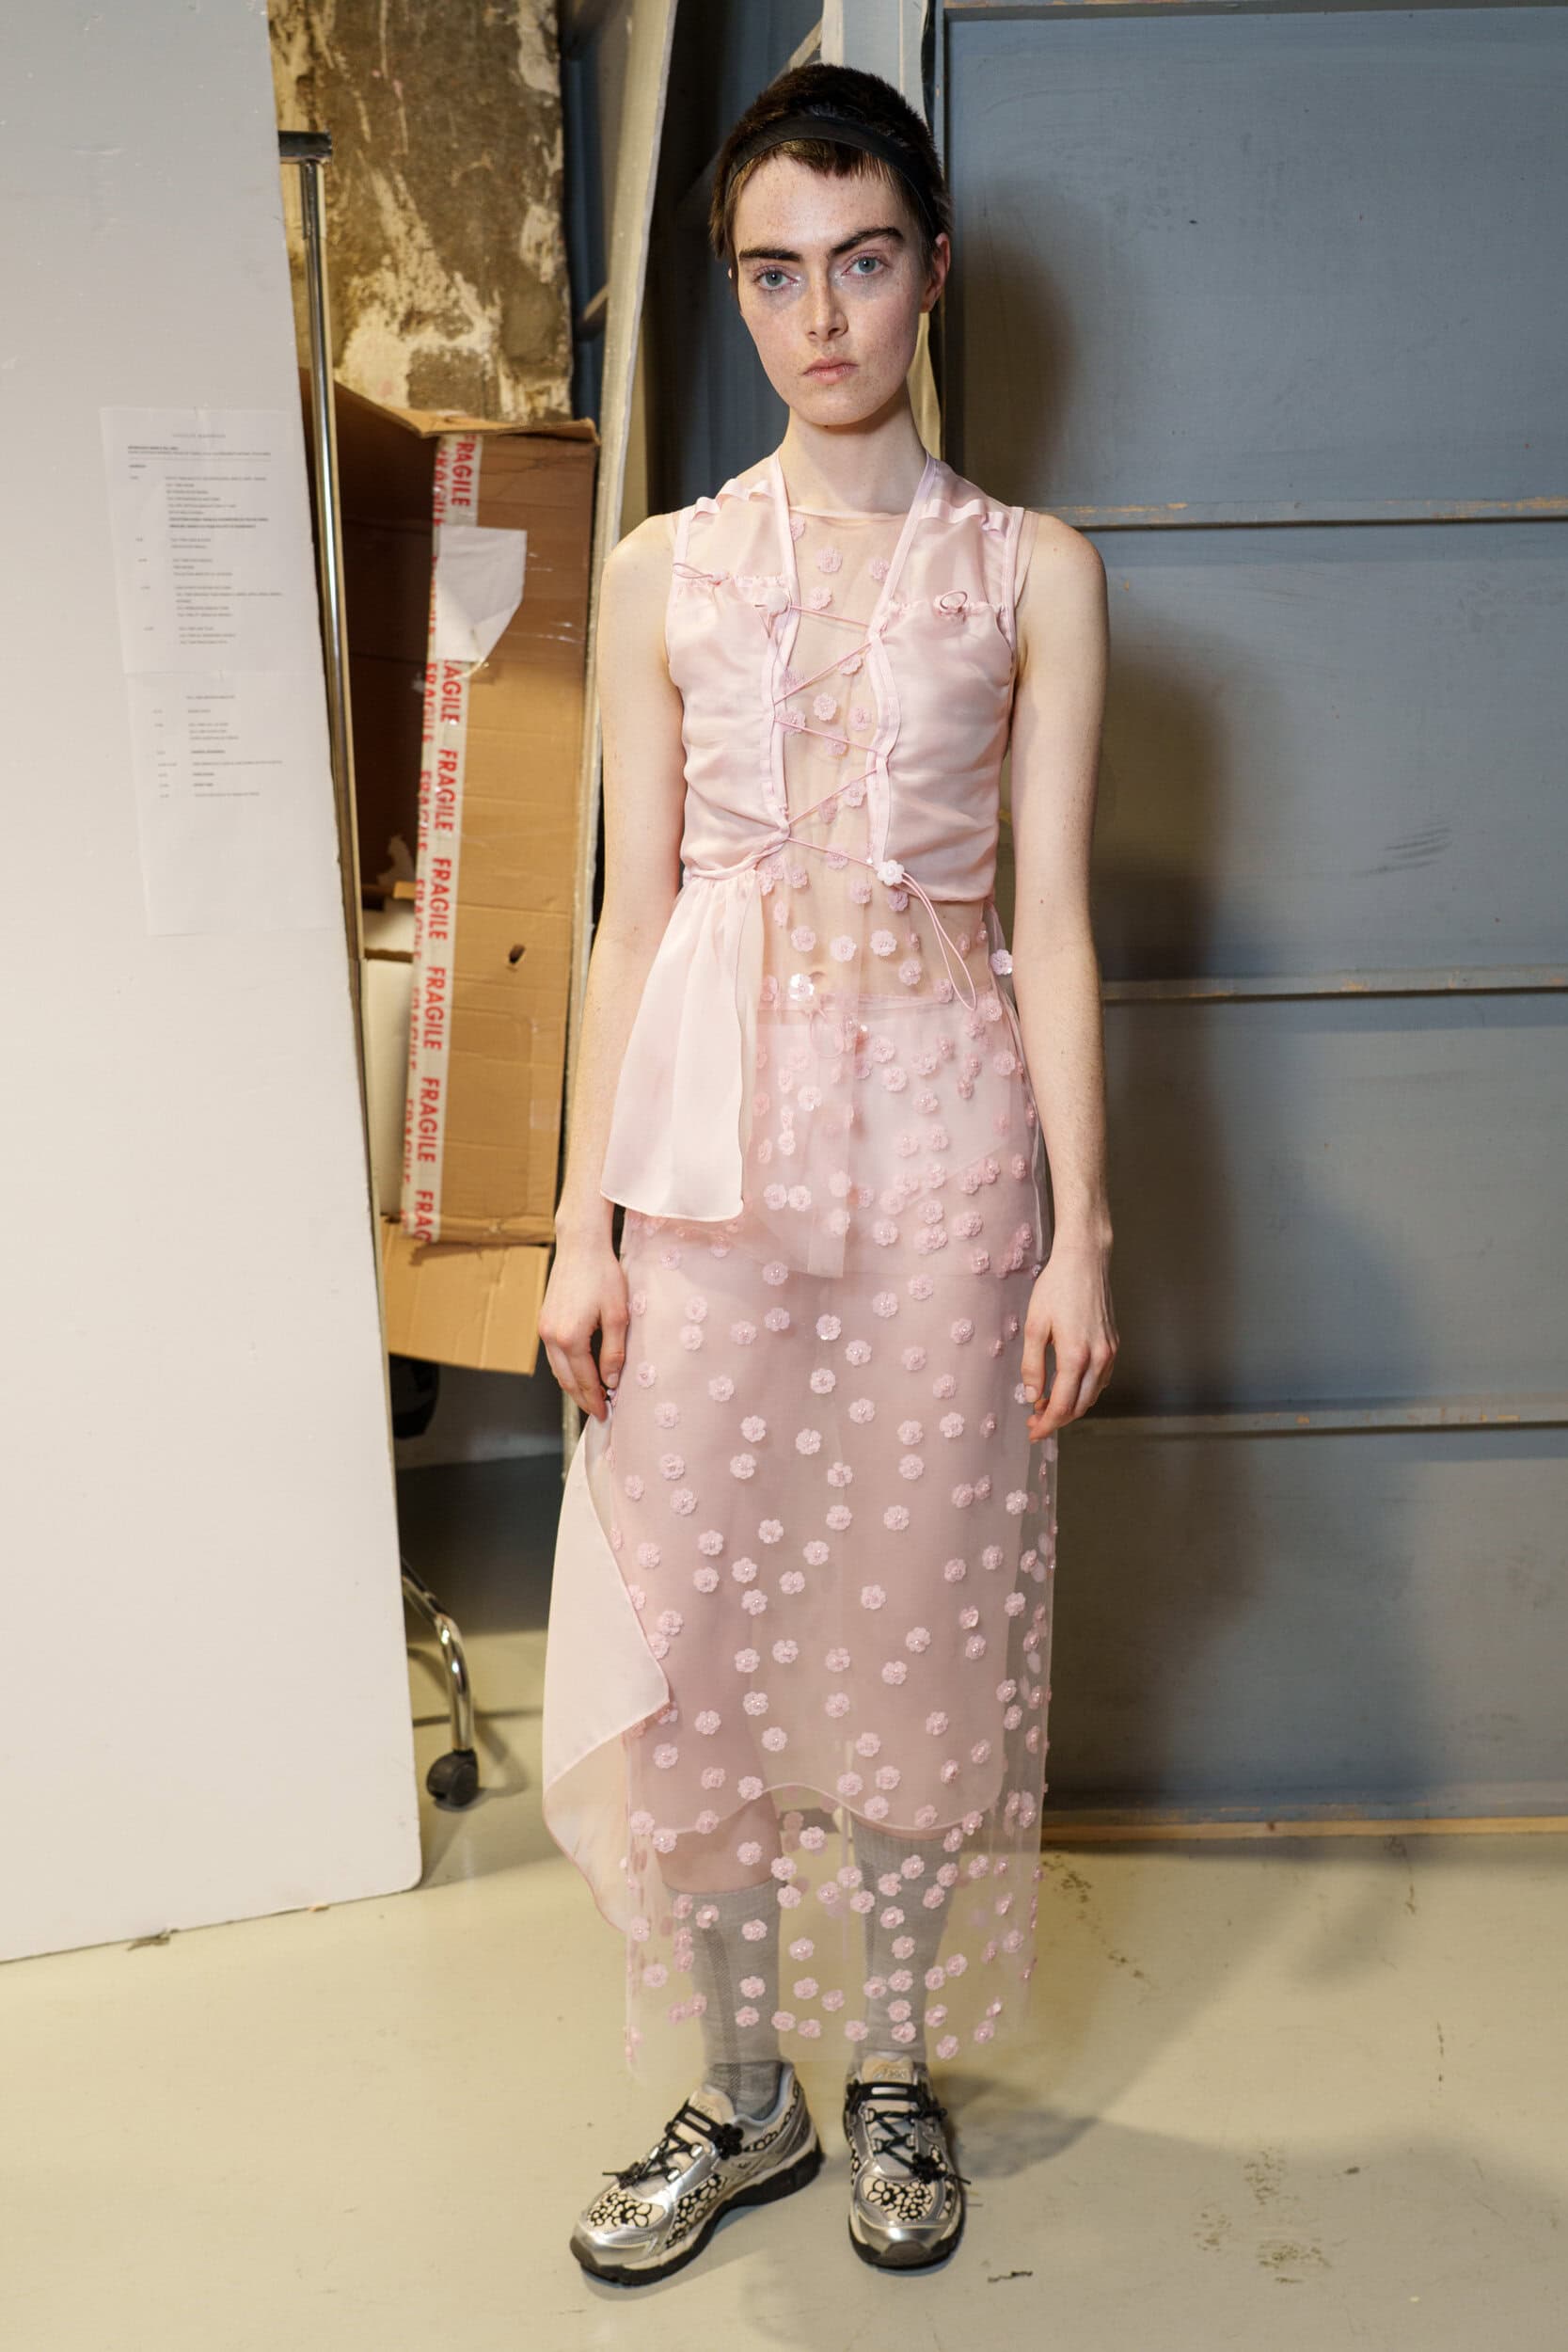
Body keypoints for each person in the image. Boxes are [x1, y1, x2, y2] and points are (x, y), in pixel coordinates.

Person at [537, 58, 1116, 2285]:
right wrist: (581, 1227)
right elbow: (629, 920)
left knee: (914, 1626)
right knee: (697, 1636)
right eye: (775, 274)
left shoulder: (1032, 573)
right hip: (707, 1183)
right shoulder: (662, 573)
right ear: (736, 294)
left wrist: (1082, 1233)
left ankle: (888, 2074)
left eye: (862, 262)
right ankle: (742, 2091)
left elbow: (1053, 922)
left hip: (945, 1172)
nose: (822, 317)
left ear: (931, 270)